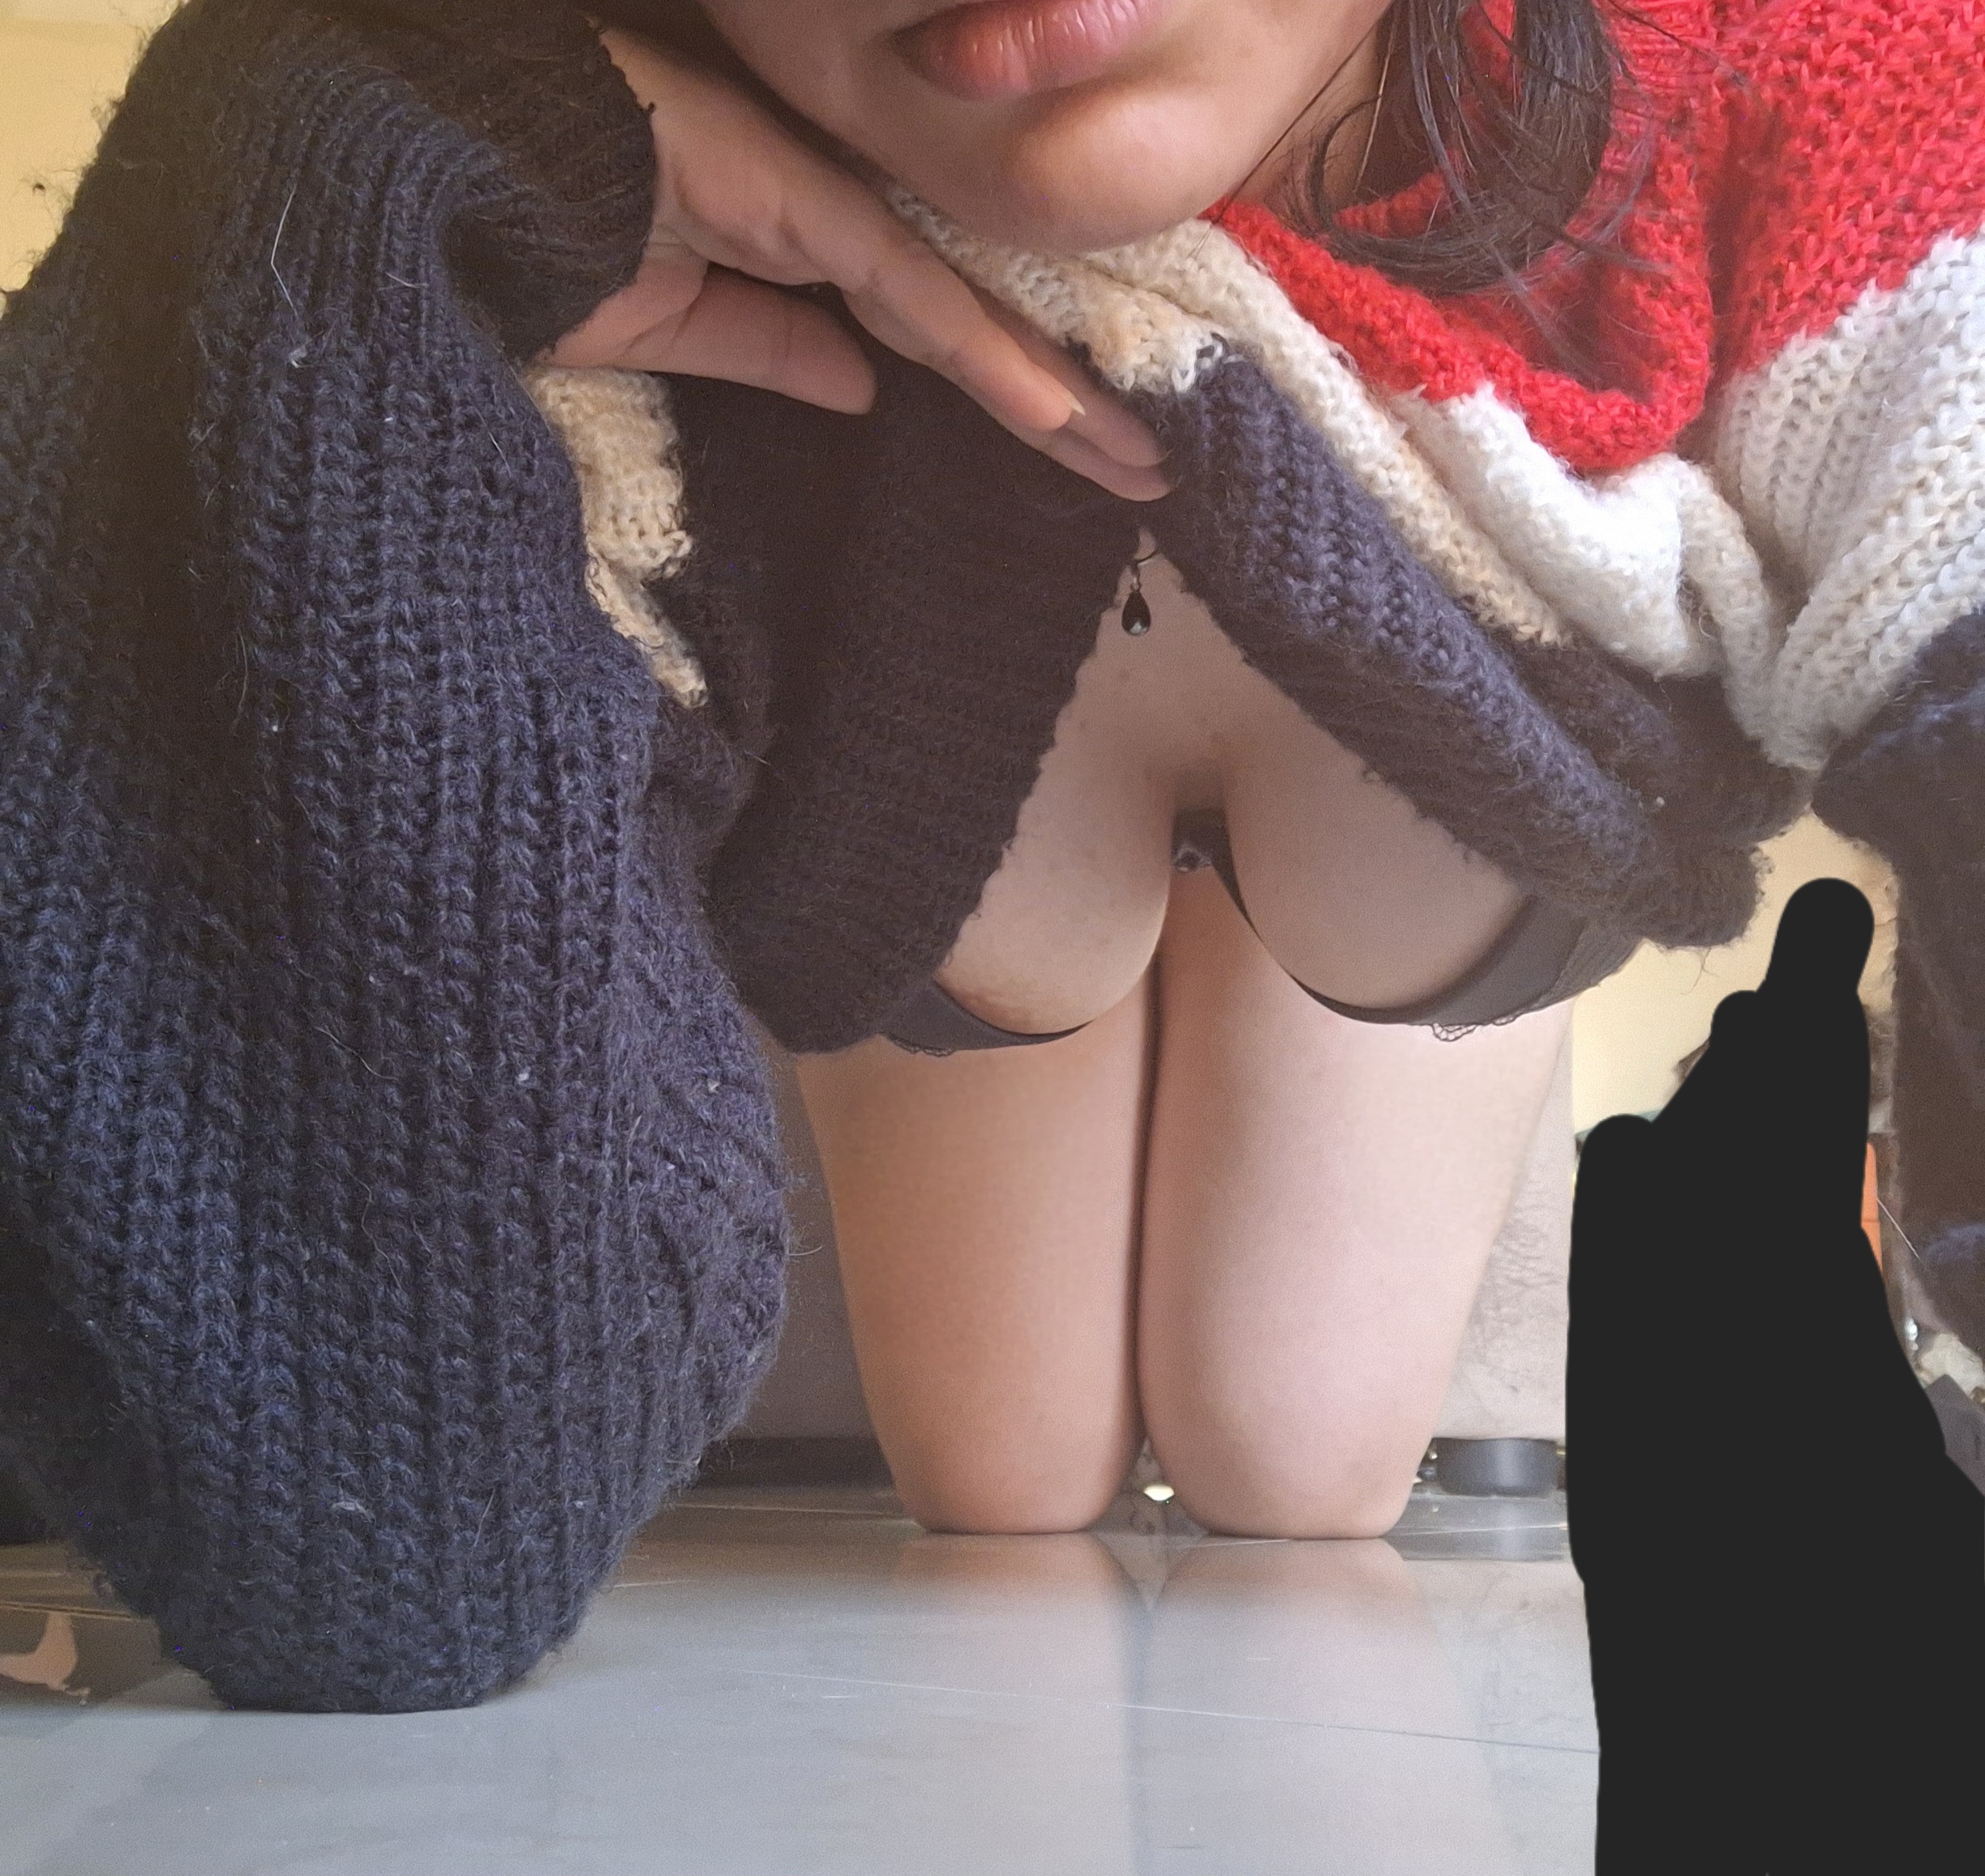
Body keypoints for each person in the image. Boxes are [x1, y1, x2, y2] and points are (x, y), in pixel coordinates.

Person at [2, 0, 1981, 1714]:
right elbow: (384, 1513)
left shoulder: (1808, 74)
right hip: (901, 774)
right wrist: (327, 181)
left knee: (1295, 1460)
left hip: (1467, 789)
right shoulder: (581, 220)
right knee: (1003, 1478)